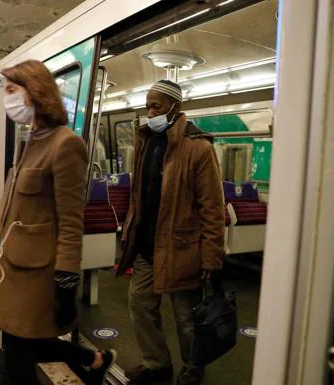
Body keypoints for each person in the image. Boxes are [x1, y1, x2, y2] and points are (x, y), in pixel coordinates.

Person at [0, 60, 116, 385]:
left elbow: (70, 222)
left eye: (12, 90)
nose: (6, 98)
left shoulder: (66, 144)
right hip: (11, 267)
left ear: (35, 92)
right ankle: (95, 360)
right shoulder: (32, 141)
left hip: (38, 273)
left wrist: (66, 283)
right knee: (20, 346)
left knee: (19, 358)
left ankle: (94, 360)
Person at [116, 80, 226, 385]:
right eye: (147, 106)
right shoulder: (146, 140)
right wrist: (129, 232)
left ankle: (193, 368)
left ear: (175, 108)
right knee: (140, 306)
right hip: (147, 246)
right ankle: (157, 364)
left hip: (182, 248)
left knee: (187, 318)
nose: (149, 112)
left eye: (156, 106)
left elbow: (212, 209)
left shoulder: (198, 148)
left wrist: (211, 258)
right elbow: (139, 194)